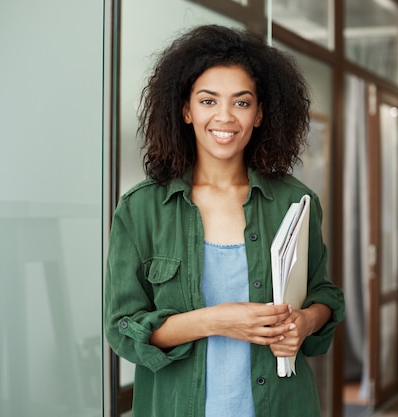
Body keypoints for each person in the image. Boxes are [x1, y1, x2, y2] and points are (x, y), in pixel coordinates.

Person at [104, 24, 345, 417]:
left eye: (242, 102)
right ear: (186, 110)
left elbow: (325, 295)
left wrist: (304, 322)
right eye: (208, 101)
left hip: (281, 405)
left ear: (260, 113)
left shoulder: (294, 201)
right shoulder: (140, 209)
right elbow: (123, 328)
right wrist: (216, 321)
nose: (225, 117)